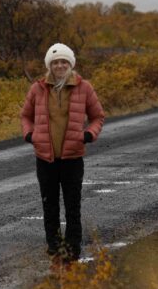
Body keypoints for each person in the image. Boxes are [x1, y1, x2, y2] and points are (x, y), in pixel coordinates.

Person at [21, 42, 105, 263]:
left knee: (72, 206)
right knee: (50, 206)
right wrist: (30, 136)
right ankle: (54, 249)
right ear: (50, 65)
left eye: (64, 62)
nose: (60, 65)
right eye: (56, 62)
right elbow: (25, 116)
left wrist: (89, 134)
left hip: (72, 158)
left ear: (71, 64)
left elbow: (98, 116)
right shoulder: (37, 88)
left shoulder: (84, 87)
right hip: (45, 158)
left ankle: (73, 250)